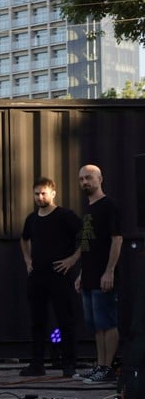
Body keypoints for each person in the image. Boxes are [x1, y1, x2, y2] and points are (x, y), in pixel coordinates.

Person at [19, 177, 82, 377]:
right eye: (36, 193)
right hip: (37, 276)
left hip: (59, 276)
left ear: (53, 193)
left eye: (43, 193)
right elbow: (24, 238)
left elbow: (87, 235)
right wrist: (28, 260)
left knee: (65, 320)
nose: (39, 197)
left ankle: (69, 364)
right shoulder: (32, 219)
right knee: (37, 321)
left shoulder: (65, 216)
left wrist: (73, 259)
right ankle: (37, 364)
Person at [74, 164, 123, 384]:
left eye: (89, 178)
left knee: (107, 322)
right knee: (94, 324)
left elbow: (117, 239)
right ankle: (100, 365)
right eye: (82, 179)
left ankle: (107, 367)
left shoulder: (108, 205)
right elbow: (87, 245)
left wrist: (109, 271)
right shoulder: (88, 208)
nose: (85, 182)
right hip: (89, 276)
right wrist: (81, 274)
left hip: (104, 275)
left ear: (100, 178)